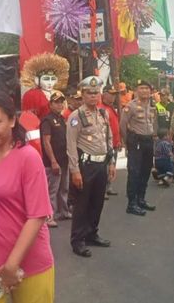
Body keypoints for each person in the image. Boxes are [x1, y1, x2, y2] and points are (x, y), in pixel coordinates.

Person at [0, 91, 54, 303]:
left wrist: (12, 265)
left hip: (28, 261)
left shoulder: (28, 157)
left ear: (13, 120)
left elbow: (38, 215)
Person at [67, 76, 116, 257]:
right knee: (82, 205)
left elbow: (108, 139)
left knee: (97, 203)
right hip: (85, 165)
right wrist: (74, 171)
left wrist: (111, 163)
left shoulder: (103, 114)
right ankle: (78, 240)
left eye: (96, 93)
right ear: (83, 94)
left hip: (101, 164)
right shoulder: (76, 116)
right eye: (89, 93)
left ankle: (91, 234)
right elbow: (71, 145)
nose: (93, 96)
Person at [120, 80, 157, 216]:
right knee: (134, 172)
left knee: (145, 171)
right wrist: (127, 142)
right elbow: (123, 125)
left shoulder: (152, 105)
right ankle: (132, 203)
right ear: (136, 90)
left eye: (147, 88)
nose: (144, 91)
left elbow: (154, 123)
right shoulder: (131, 106)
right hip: (136, 141)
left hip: (148, 141)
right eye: (141, 88)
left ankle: (141, 199)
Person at [40, 91, 71, 227]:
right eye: (56, 102)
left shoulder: (61, 119)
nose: (59, 105)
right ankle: (48, 216)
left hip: (64, 159)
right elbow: (46, 142)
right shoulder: (47, 120)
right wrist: (53, 161)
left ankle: (63, 211)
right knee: (52, 190)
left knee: (64, 187)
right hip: (53, 161)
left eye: (61, 102)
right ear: (50, 104)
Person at [21, 53, 70, 120]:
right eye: (46, 79)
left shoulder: (59, 93)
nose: (49, 82)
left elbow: (65, 112)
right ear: (37, 80)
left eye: (52, 79)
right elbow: (29, 118)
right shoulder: (31, 95)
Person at [99, 84, 121, 197]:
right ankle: (102, 190)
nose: (113, 97)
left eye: (114, 95)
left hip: (114, 142)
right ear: (104, 94)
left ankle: (109, 186)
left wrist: (118, 141)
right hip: (104, 143)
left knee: (112, 166)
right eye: (111, 94)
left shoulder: (112, 107)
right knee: (104, 167)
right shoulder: (100, 108)